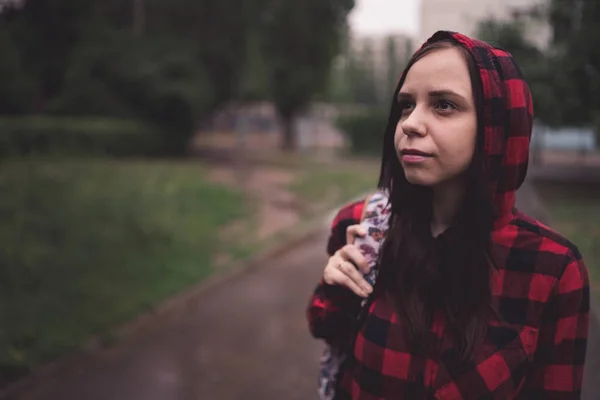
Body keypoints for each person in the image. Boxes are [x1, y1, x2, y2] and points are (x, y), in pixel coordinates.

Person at [307, 31, 590, 399]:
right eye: (406, 105)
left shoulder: (552, 270)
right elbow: (326, 328)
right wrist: (336, 289)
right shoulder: (363, 226)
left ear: (498, 128)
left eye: (443, 105)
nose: (410, 123)